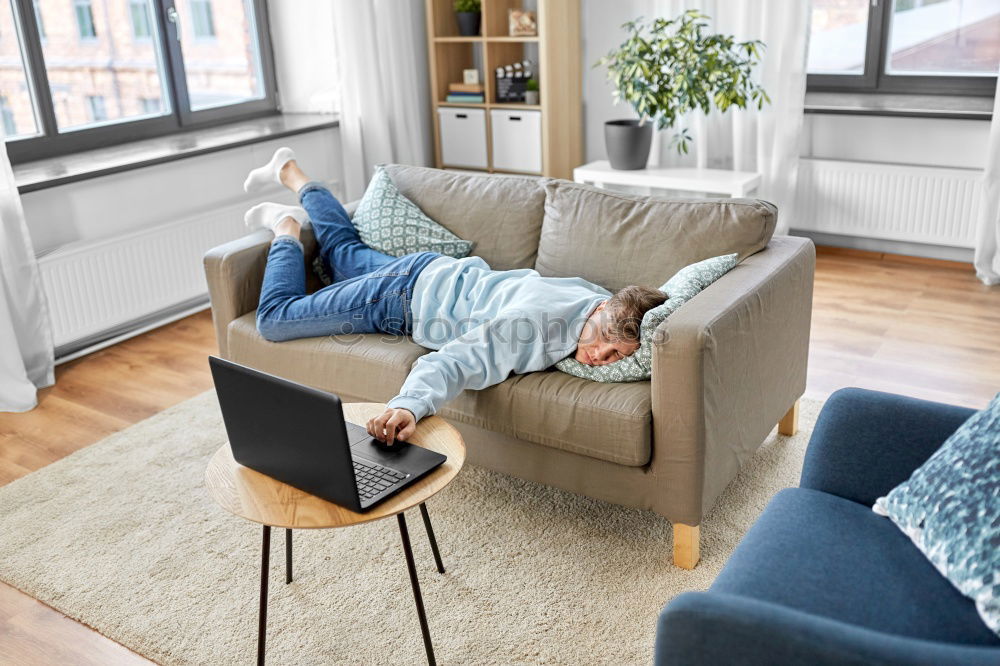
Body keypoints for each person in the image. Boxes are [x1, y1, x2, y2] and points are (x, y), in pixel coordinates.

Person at [242, 148, 667, 446]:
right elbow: (459, 359)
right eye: (600, 339)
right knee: (276, 319)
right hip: (400, 298)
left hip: (429, 272)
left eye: (616, 355)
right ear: (600, 309)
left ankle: (292, 173)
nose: (599, 356)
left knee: (341, 255)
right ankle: (286, 228)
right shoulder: (542, 325)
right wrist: (408, 406)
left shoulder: (595, 296)